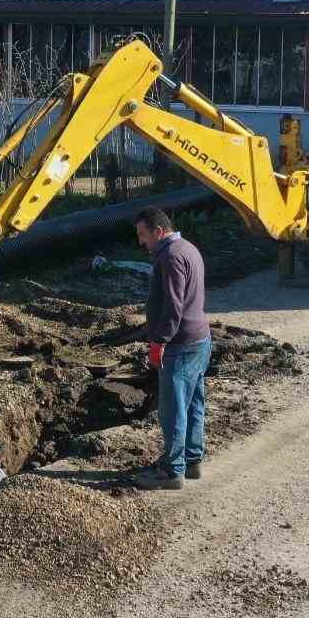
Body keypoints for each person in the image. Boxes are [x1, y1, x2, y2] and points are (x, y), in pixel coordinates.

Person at [130, 207, 213, 491]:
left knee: (173, 409)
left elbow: (173, 307)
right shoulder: (188, 248)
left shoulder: (170, 256)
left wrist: (159, 341)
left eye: (143, 234)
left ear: (158, 230)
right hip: (200, 339)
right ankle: (192, 461)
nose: (141, 241)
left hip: (180, 345)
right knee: (194, 404)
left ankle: (172, 471)